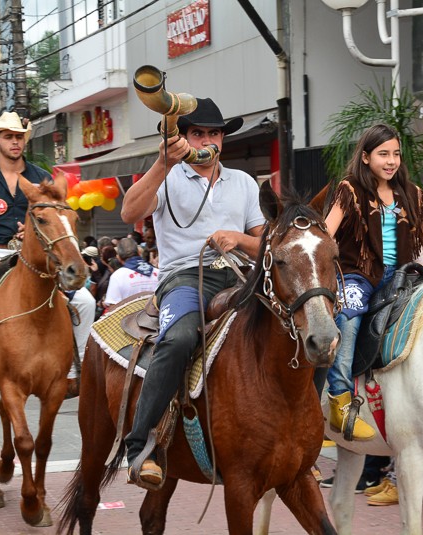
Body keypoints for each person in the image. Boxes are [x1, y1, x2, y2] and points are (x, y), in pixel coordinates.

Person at [120, 97, 265, 485]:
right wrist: (163, 163)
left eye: (214, 133)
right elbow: (129, 212)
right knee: (180, 338)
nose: (207, 140)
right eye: (197, 133)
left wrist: (239, 238)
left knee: (296, 321)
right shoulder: (168, 177)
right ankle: (141, 447)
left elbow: (265, 244)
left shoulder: (244, 182)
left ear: (223, 138)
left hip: (239, 276)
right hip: (185, 277)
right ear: (183, 138)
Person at [0, 111, 96, 407]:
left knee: (86, 303)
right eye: (9, 137)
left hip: (38, 254)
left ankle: (77, 373)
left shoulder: (41, 178)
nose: (15, 142)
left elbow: (59, 217)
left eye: (19, 137)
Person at [323, 123, 423, 441]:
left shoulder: (411, 193)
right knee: (348, 318)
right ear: (366, 157)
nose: (392, 161)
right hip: (358, 274)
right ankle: (339, 400)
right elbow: (326, 233)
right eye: (383, 154)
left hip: (405, 275)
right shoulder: (349, 189)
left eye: (396, 154)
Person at [103, 237, 159, 307]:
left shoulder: (117, 276)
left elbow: (113, 308)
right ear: (139, 253)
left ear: (118, 257)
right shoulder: (158, 273)